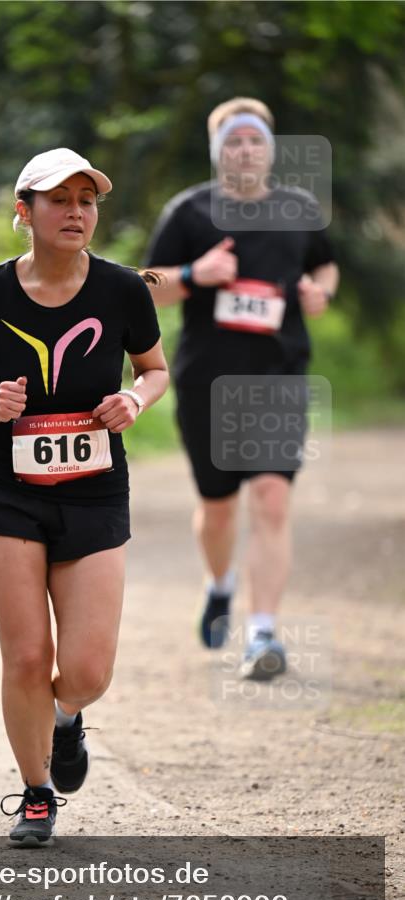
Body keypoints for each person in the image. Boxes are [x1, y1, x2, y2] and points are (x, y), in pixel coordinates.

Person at [0, 148, 169, 844]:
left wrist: (134, 399)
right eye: (58, 200)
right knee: (27, 659)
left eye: (86, 200)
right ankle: (36, 792)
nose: (75, 212)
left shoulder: (123, 289)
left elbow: (154, 371)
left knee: (89, 670)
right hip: (6, 492)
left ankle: (66, 721)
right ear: (24, 211)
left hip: (94, 491)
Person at [145, 98, 339, 680]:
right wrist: (190, 276)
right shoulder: (190, 212)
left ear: (269, 149)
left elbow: (326, 265)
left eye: (255, 140)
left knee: (273, 500)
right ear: (217, 152)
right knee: (217, 507)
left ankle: (262, 635)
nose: (245, 150)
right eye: (233, 141)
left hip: (279, 378)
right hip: (207, 380)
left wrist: (318, 292)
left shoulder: (299, 209)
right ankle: (220, 583)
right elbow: (142, 286)